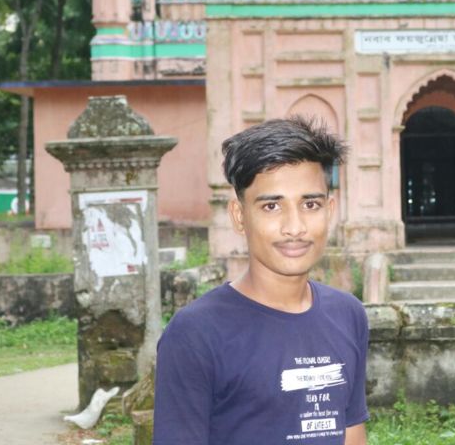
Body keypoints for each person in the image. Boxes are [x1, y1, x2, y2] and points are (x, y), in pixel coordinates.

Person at [153, 116, 369, 445]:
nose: (294, 227)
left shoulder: (348, 315)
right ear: (239, 216)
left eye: (310, 204)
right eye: (271, 206)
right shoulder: (196, 333)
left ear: (330, 210)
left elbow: (351, 435)